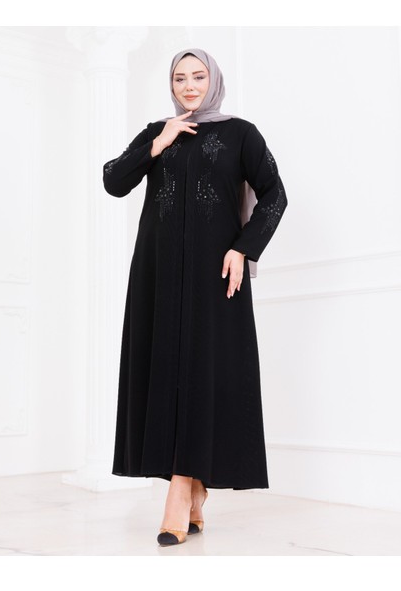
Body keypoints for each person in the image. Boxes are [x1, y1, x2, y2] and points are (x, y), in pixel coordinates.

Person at [103, 48, 288, 547]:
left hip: (215, 275)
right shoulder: (157, 131)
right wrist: (158, 143)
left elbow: (274, 194)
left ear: (214, 80)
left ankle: (178, 493)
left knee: (202, 376)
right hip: (158, 273)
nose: (189, 86)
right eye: (180, 78)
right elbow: (114, 181)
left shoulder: (241, 133)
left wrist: (243, 248)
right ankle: (192, 488)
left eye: (199, 76)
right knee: (168, 374)